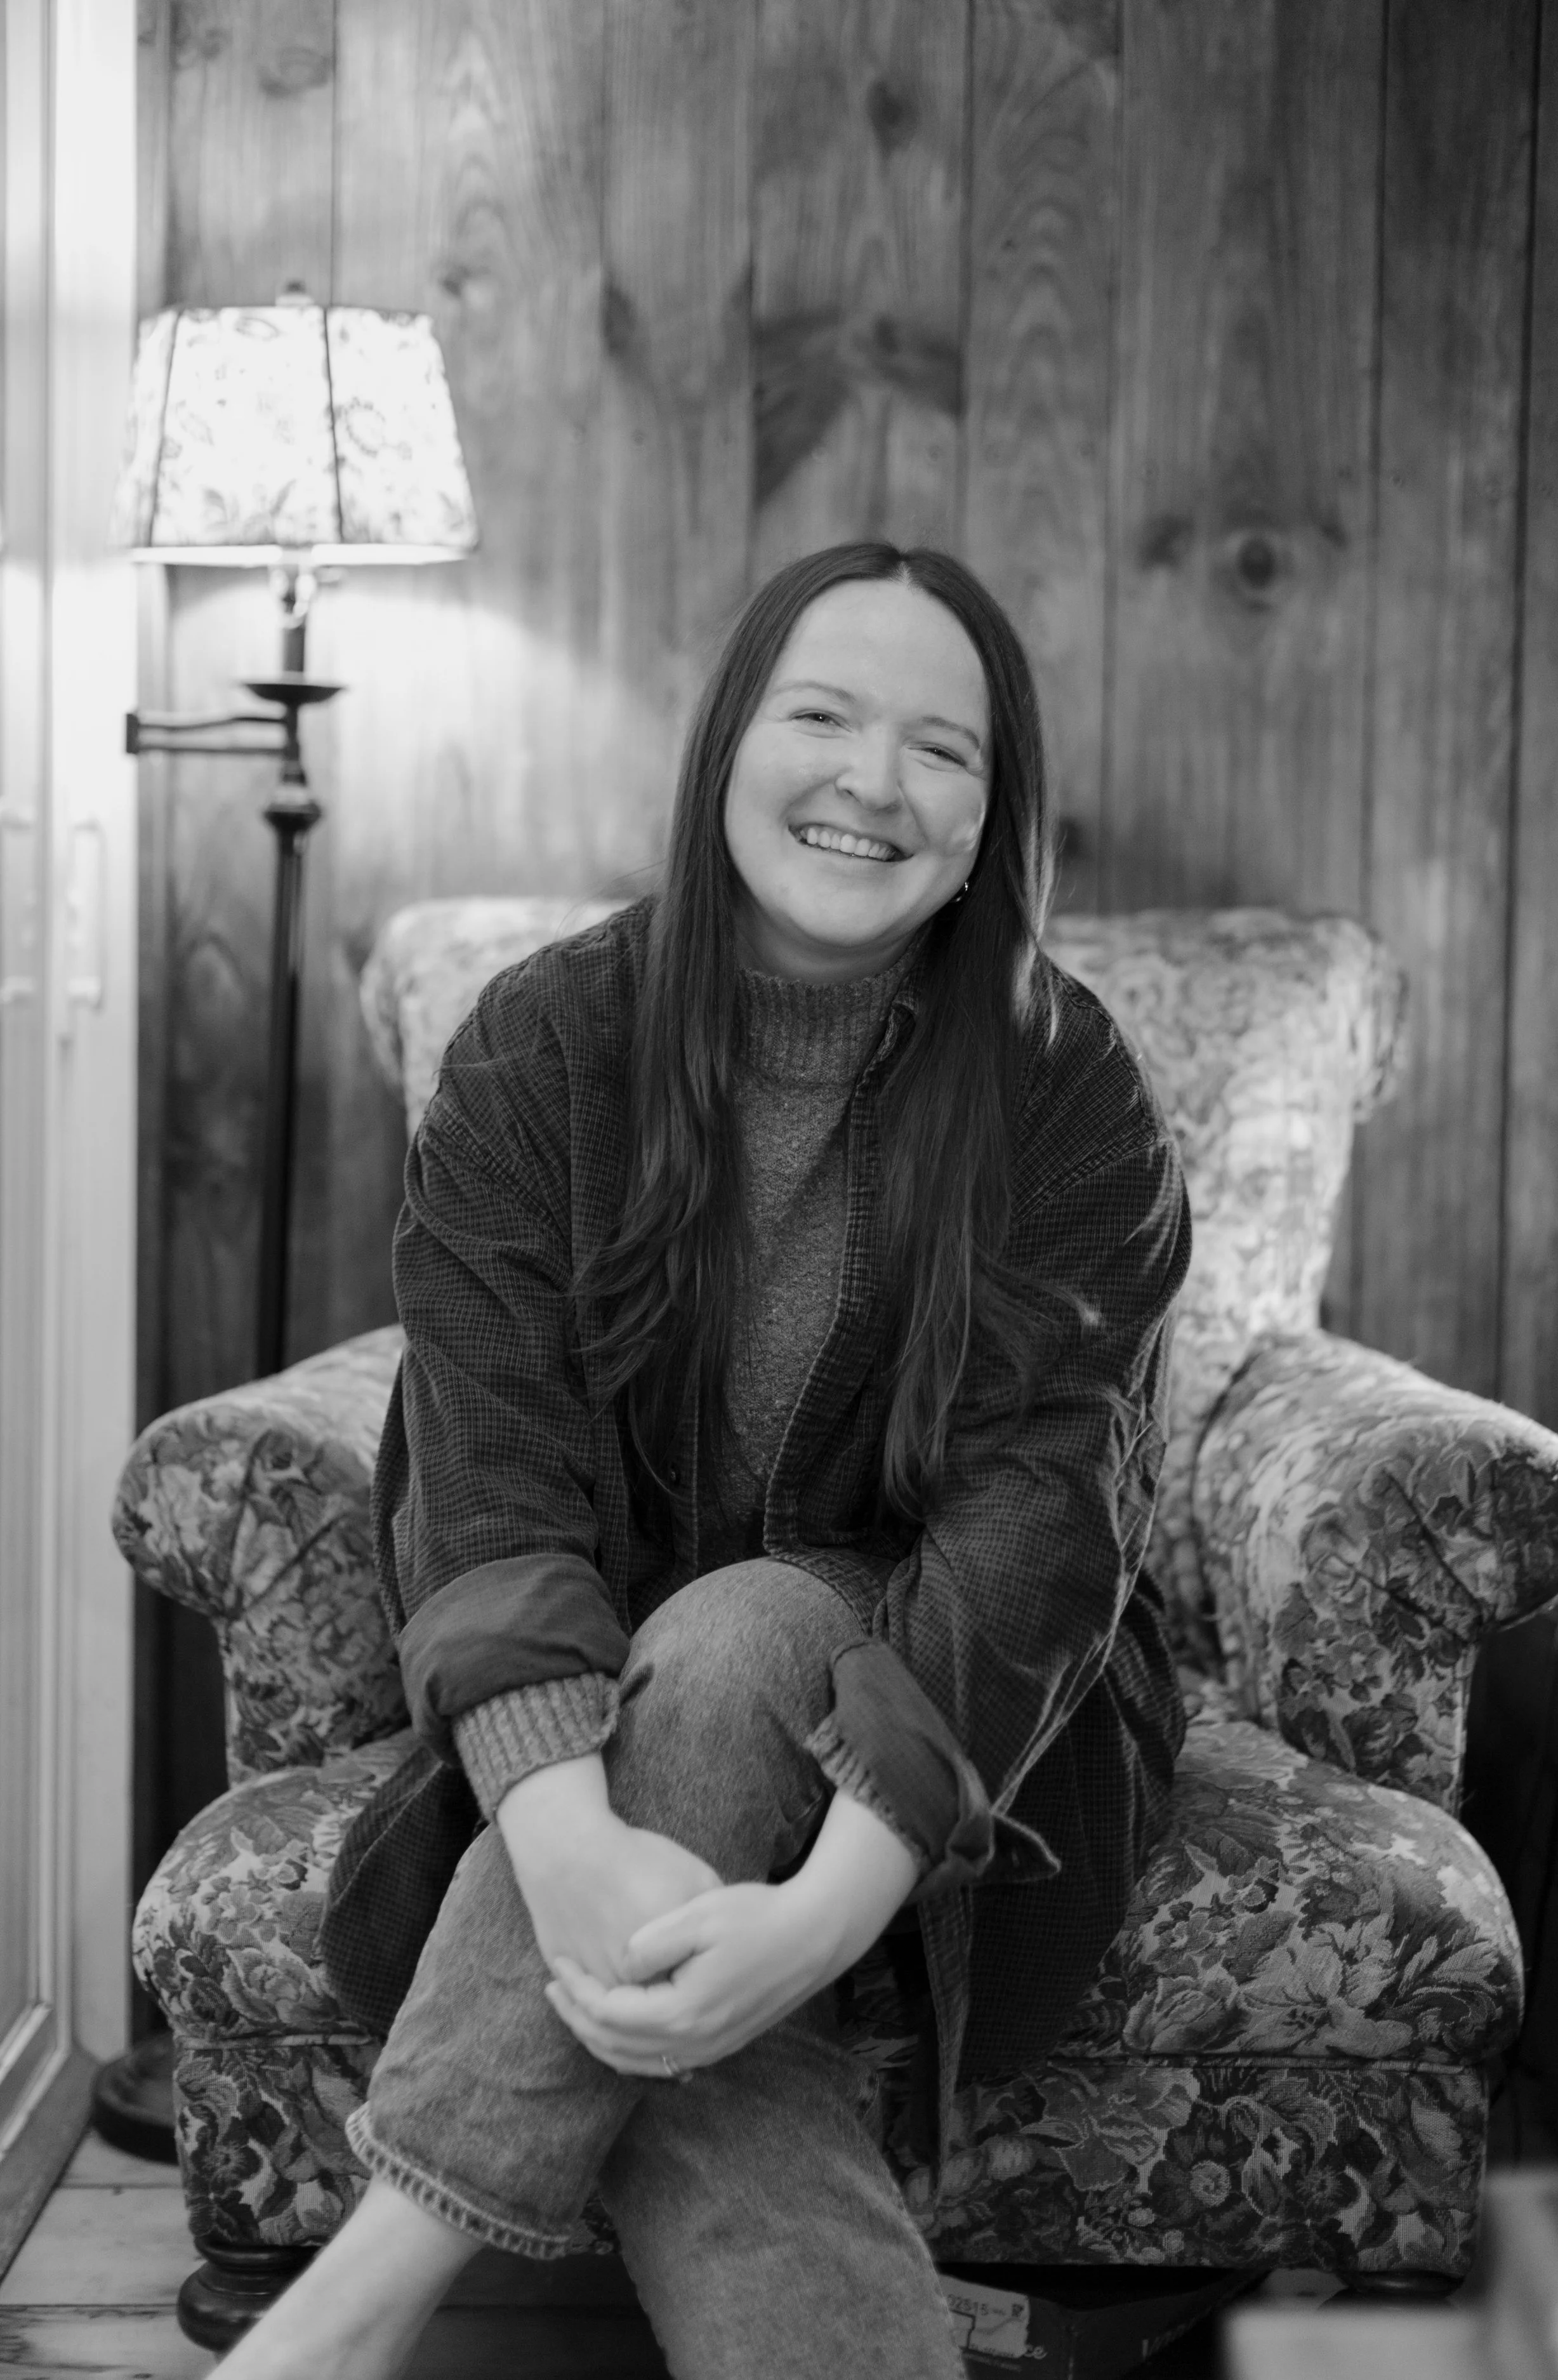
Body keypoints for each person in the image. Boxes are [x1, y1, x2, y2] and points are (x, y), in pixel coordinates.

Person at [218, 543, 1192, 2380]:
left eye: (941, 748)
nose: (871, 782)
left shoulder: (1069, 1087)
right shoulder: (540, 1044)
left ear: (994, 813)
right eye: (819, 714)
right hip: (595, 1707)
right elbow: (484, 1453)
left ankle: (345, 2318)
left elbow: (1037, 1519)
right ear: (726, 738)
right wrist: (570, 1831)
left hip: (971, 1723)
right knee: (721, 1659)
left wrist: (834, 1894)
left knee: (750, 1623)